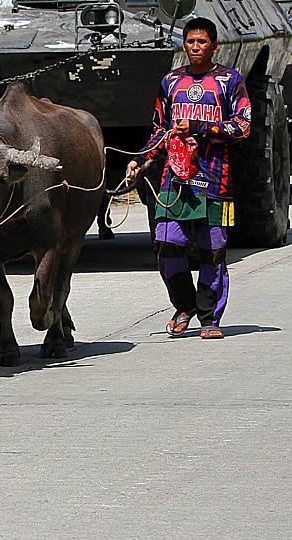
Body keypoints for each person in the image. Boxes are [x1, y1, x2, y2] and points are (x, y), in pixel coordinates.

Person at [125, 17, 251, 340]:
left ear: (214, 46)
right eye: (191, 42)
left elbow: (243, 126)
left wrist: (198, 128)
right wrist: (140, 160)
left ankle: (209, 317)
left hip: (215, 178)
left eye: (202, 42)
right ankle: (184, 306)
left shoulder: (229, 81)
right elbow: (158, 131)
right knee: (167, 242)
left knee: (213, 249)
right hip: (174, 179)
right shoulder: (170, 83)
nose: (196, 48)